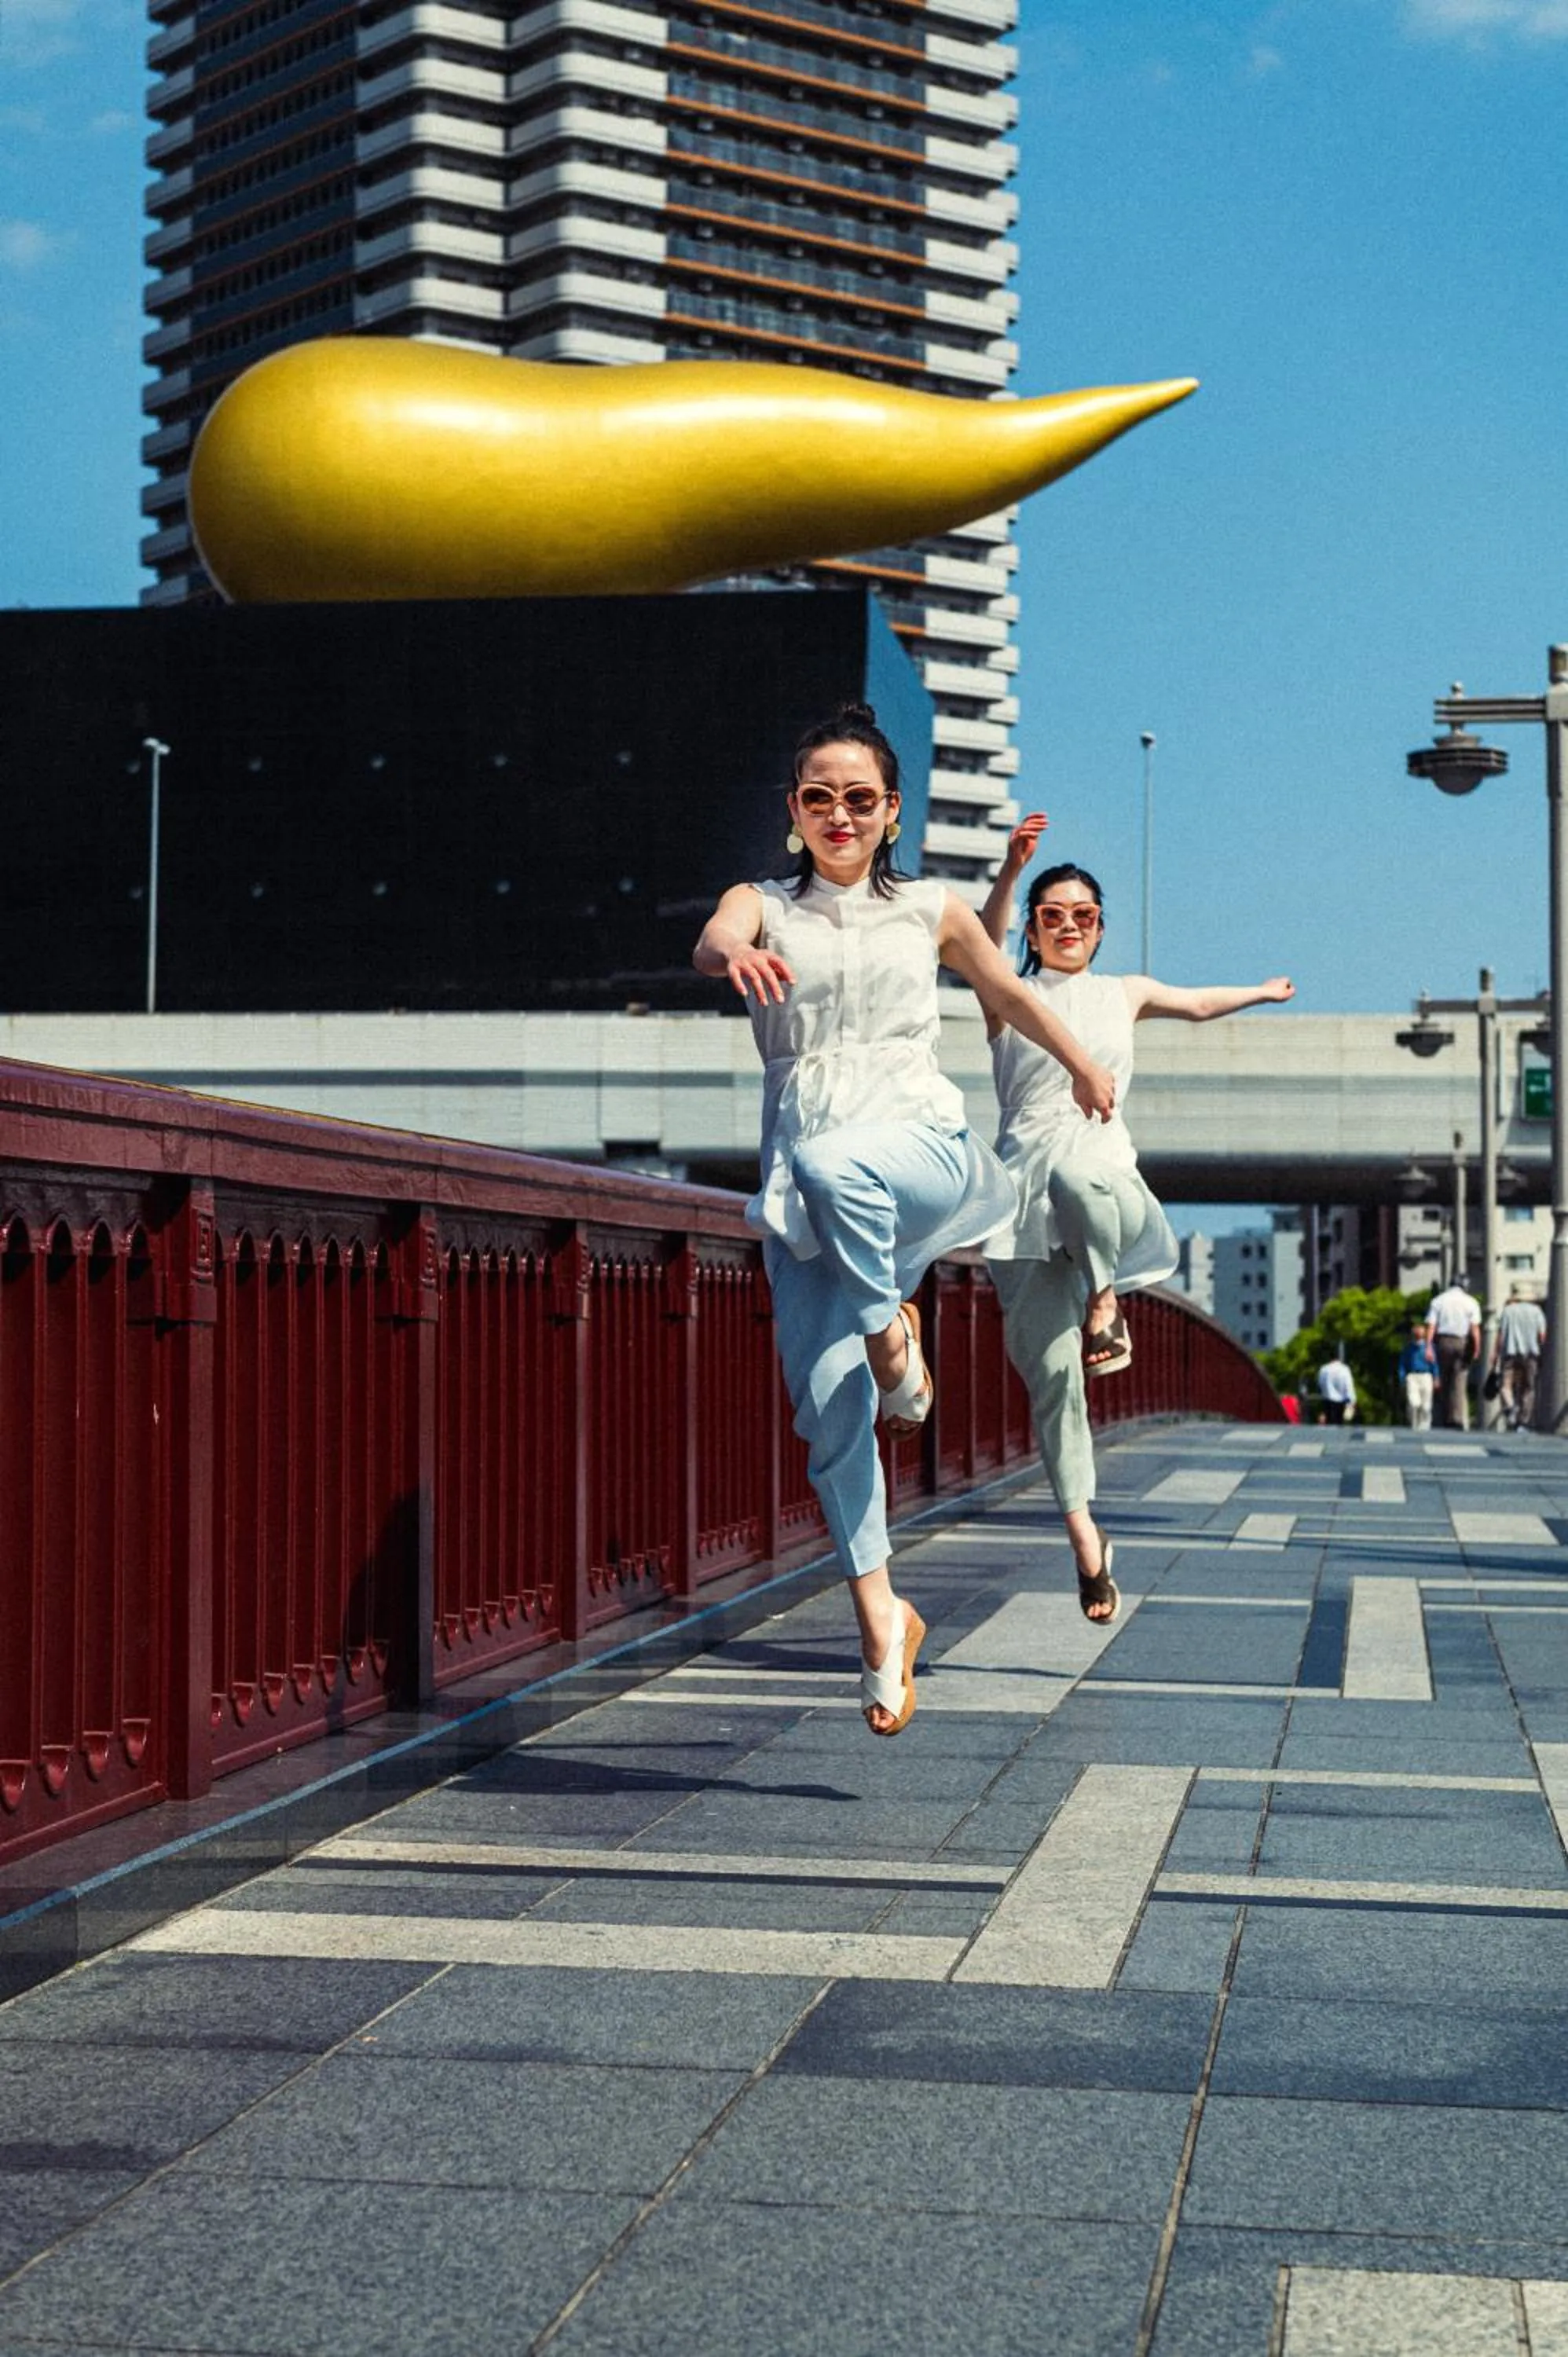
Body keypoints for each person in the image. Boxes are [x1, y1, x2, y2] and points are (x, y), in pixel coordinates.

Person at [693, 707, 1117, 1736]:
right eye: (818, 798)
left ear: (892, 815)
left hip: (917, 1142)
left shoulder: (931, 906)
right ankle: (883, 1621)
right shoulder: (761, 904)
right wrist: (729, 958)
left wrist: (1080, 1061)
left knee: (841, 1174)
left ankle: (894, 1333)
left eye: (862, 799)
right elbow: (713, 942)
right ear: (795, 812)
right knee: (825, 1407)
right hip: (805, 1169)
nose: (841, 815)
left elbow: (1008, 992)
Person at [978, 815, 1294, 1622]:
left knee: (1081, 1176)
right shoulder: (1008, 998)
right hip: (1017, 1198)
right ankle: (1086, 1538)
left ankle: (1106, 1297)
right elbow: (985, 936)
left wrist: (1259, 993)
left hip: (1101, 1179)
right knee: (1051, 1383)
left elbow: (1192, 1004)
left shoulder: (1122, 993)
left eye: (1083, 916)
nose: (1069, 927)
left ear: (1101, 927)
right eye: (1054, 916)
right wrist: (1014, 872)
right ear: (1035, 929)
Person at [1425, 1273, 1482, 1430]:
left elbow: (1431, 1326)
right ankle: (1455, 1417)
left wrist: (1428, 1347)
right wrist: (1477, 1348)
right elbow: (1475, 1329)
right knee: (1459, 1379)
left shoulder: (1438, 1301)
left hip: (1443, 1341)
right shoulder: (1471, 1302)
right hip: (1462, 1342)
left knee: (1444, 1378)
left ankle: (1443, 1416)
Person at [1491, 1285, 1548, 1431]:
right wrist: (1543, 1353)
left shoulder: (1508, 1311)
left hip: (1510, 1353)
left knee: (1505, 1386)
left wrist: (1496, 1354)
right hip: (1531, 1354)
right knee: (1528, 1388)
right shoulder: (1537, 1312)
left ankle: (1510, 1408)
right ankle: (1523, 1421)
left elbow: (1501, 1336)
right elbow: (1542, 1336)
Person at [1398, 1320, 1438, 1430]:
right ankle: (1413, 1422)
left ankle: (1425, 1424)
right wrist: (1402, 1378)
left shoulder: (1429, 1348)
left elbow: (1434, 1364)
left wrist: (1436, 1377)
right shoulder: (1408, 1348)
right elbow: (1402, 1364)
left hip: (1426, 1376)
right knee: (1414, 1402)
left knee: (1426, 1405)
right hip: (1412, 1376)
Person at [1316, 1346, 1357, 1425]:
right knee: (1339, 1426)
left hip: (1327, 1402)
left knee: (1328, 1427)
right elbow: (1349, 1386)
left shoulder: (1323, 1369)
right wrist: (1352, 1401)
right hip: (1340, 1403)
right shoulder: (1344, 1369)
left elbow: (1320, 1385)